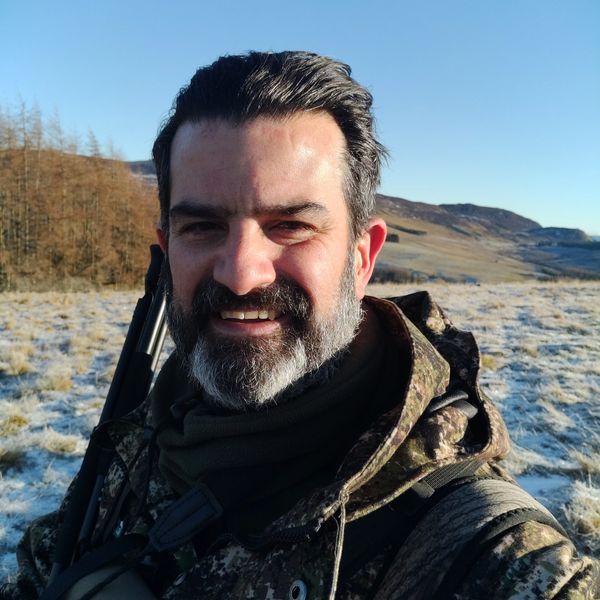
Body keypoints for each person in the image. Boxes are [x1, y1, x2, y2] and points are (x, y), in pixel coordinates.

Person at [2, 51, 598, 600]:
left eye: (290, 226)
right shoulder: (130, 452)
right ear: (167, 248)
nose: (241, 274)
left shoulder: (491, 559)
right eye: (202, 227)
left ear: (362, 257)